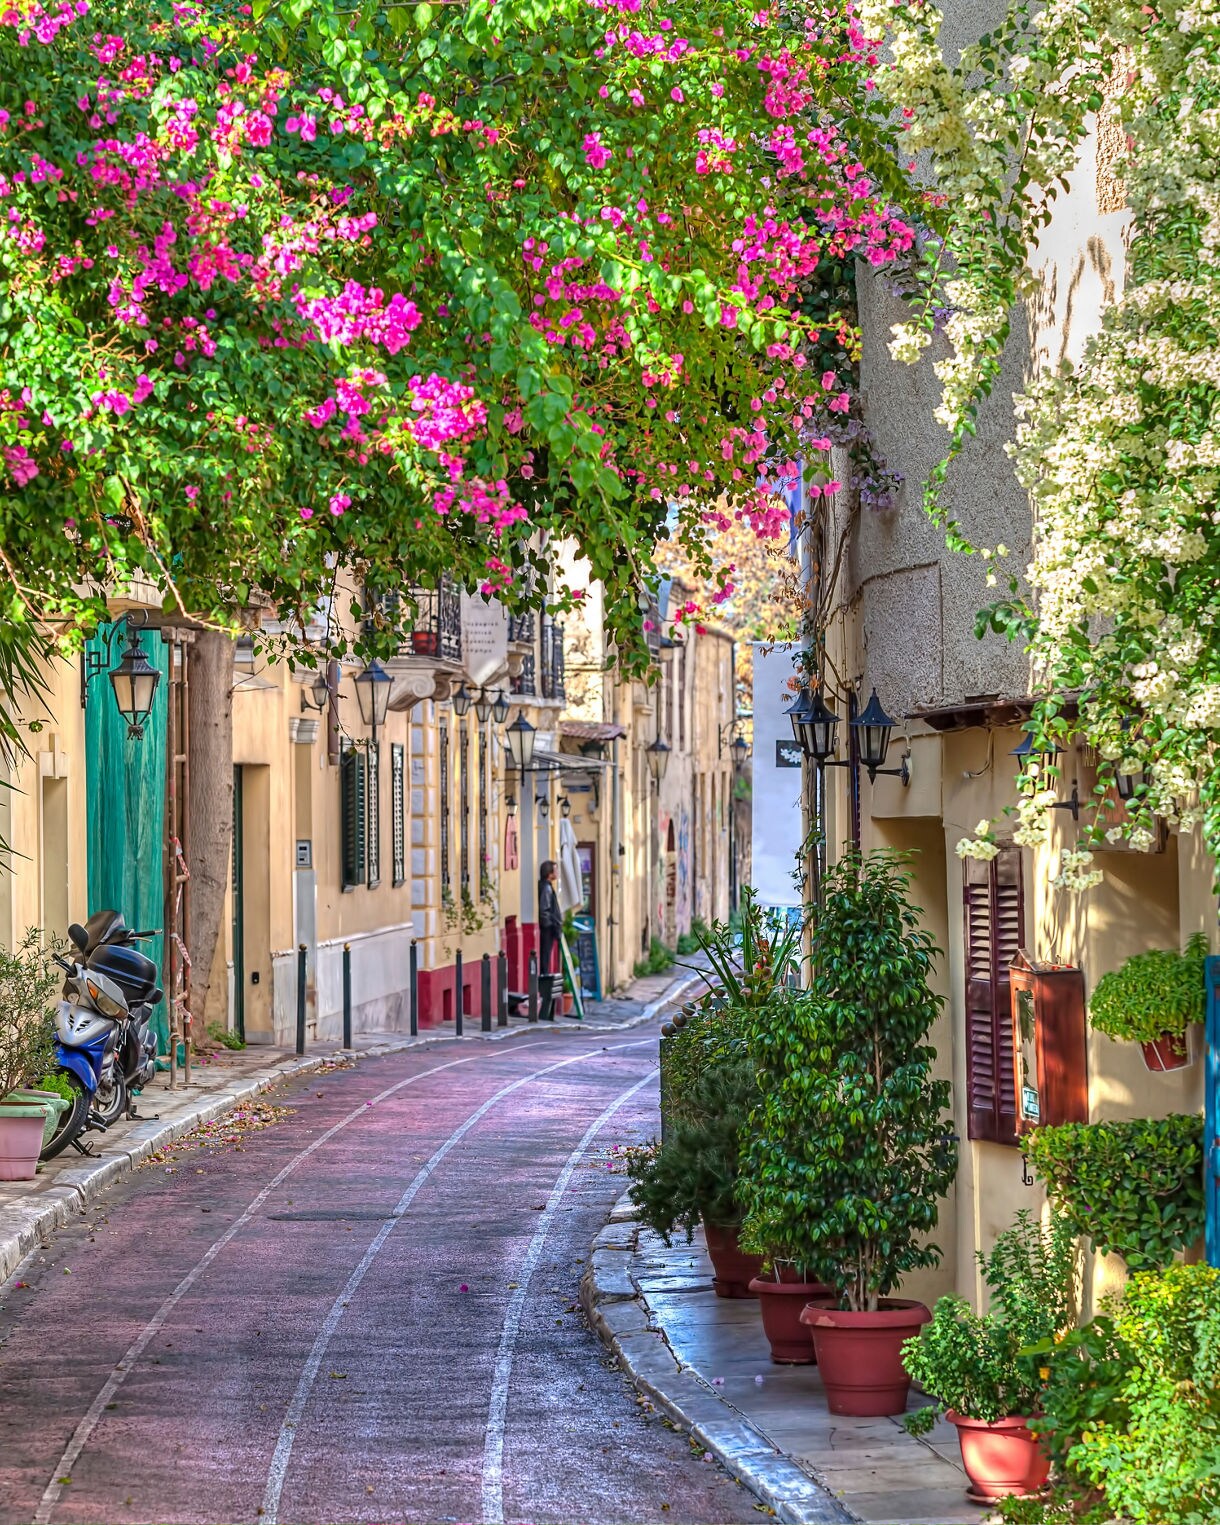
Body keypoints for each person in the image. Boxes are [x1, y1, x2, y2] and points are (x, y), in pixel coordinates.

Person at [538, 859, 563, 1020]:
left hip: (549, 929)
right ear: (549, 873)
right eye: (555, 870)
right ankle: (544, 993)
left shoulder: (548, 887)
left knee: (546, 959)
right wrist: (550, 925)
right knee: (545, 959)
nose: (557, 872)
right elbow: (544, 910)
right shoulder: (546, 888)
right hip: (547, 930)